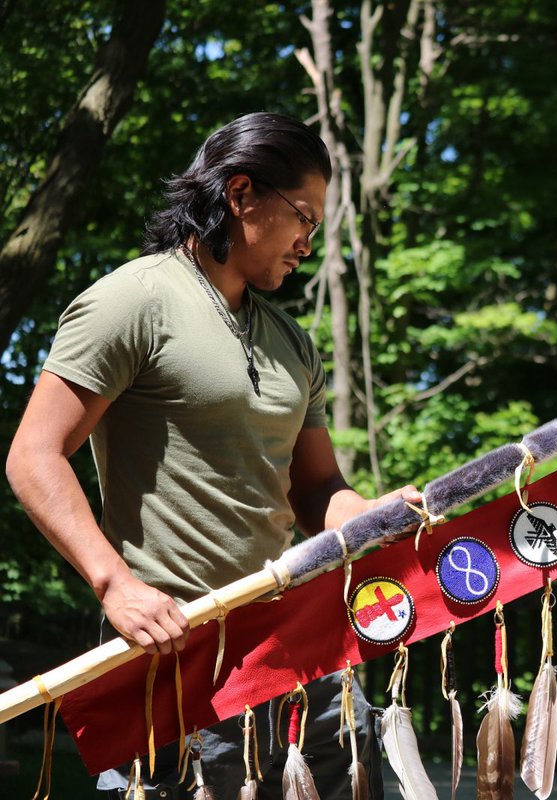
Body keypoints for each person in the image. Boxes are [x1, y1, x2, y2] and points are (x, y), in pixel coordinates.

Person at [6, 112, 419, 798]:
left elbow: (318, 491)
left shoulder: (293, 342)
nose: (308, 243)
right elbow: (33, 456)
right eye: (303, 218)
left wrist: (372, 514)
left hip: (296, 650)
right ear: (241, 193)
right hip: (175, 657)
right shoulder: (131, 302)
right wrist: (114, 585)